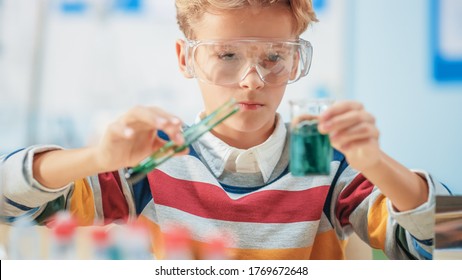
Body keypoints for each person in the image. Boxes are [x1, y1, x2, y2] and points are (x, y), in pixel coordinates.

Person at [0, 0, 451, 260]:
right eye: (227, 55)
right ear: (186, 58)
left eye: (273, 57)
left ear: (296, 60)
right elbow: (6, 201)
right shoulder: (152, 163)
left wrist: (376, 163)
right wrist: (96, 158)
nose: (252, 79)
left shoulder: (326, 165)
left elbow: (449, 238)